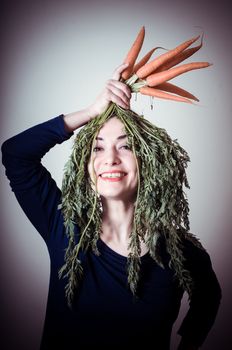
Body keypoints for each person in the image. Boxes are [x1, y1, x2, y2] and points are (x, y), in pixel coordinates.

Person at [1, 63, 221, 350]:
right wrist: (91, 112)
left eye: (125, 146)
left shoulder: (181, 253)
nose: (110, 159)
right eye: (98, 147)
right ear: (86, 166)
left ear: (150, 163)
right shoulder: (66, 229)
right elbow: (16, 154)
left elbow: (209, 297)